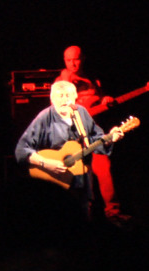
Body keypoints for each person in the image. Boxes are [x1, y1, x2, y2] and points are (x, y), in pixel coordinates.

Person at [15, 80, 124, 221]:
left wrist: (110, 138)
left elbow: (97, 141)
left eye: (68, 96)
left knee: (84, 209)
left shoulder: (81, 114)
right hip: (55, 176)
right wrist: (46, 163)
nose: (64, 100)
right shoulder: (44, 118)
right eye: (60, 96)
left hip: (82, 175)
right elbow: (21, 150)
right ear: (52, 99)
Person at [55, 45, 131, 225]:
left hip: (93, 133)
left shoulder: (93, 81)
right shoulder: (62, 80)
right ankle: (81, 215)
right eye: (68, 60)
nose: (73, 63)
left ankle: (113, 212)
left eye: (76, 59)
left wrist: (105, 100)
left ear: (83, 58)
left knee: (104, 170)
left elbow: (99, 99)